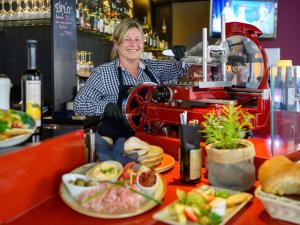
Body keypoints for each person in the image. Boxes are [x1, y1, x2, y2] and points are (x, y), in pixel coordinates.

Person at [74, 18, 187, 141]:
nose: (133, 44)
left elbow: (181, 69)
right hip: (117, 146)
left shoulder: (153, 67)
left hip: (152, 141)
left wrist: (181, 57)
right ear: (117, 44)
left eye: (137, 39)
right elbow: (79, 104)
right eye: (127, 39)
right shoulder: (102, 73)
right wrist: (105, 106)